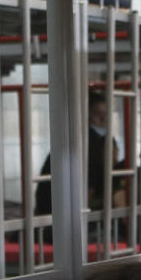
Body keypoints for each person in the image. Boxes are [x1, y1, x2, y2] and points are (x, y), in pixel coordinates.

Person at [35, 90, 121, 220]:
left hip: (52, 213)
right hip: (60, 215)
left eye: (106, 113)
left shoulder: (92, 138)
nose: (103, 118)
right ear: (86, 115)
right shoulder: (88, 143)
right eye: (97, 113)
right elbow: (86, 192)